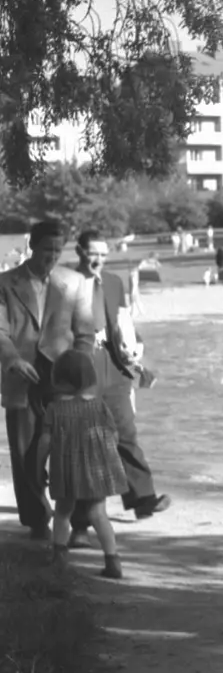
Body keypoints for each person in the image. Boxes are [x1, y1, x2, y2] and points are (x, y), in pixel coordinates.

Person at [68, 230, 170, 539]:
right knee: (85, 444)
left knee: (126, 432)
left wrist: (136, 352)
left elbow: (124, 324)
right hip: (81, 364)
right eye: (93, 253)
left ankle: (142, 498)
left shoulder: (113, 282)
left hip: (114, 365)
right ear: (79, 251)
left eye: (103, 254)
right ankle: (81, 521)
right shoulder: (64, 282)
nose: (98, 259)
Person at [0, 219, 95, 540]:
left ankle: (80, 524)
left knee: (74, 452)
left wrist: (79, 373)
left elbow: (85, 334)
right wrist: (12, 359)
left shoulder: (75, 282)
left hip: (64, 379)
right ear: (31, 246)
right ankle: (37, 520)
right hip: (20, 378)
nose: (52, 256)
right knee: (25, 451)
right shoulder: (5, 283)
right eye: (46, 250)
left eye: (57, 250)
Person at [45, 350, 126, 578]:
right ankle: (112, 560)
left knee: (63, 512)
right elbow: (113, 436)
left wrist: (39, 464)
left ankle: (59, 558)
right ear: (90, 377)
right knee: (99, 514)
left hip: (67, 471)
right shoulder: (100, 407)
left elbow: (45, 441)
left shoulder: (54, 410)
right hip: (96, 471)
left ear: (58, 379)